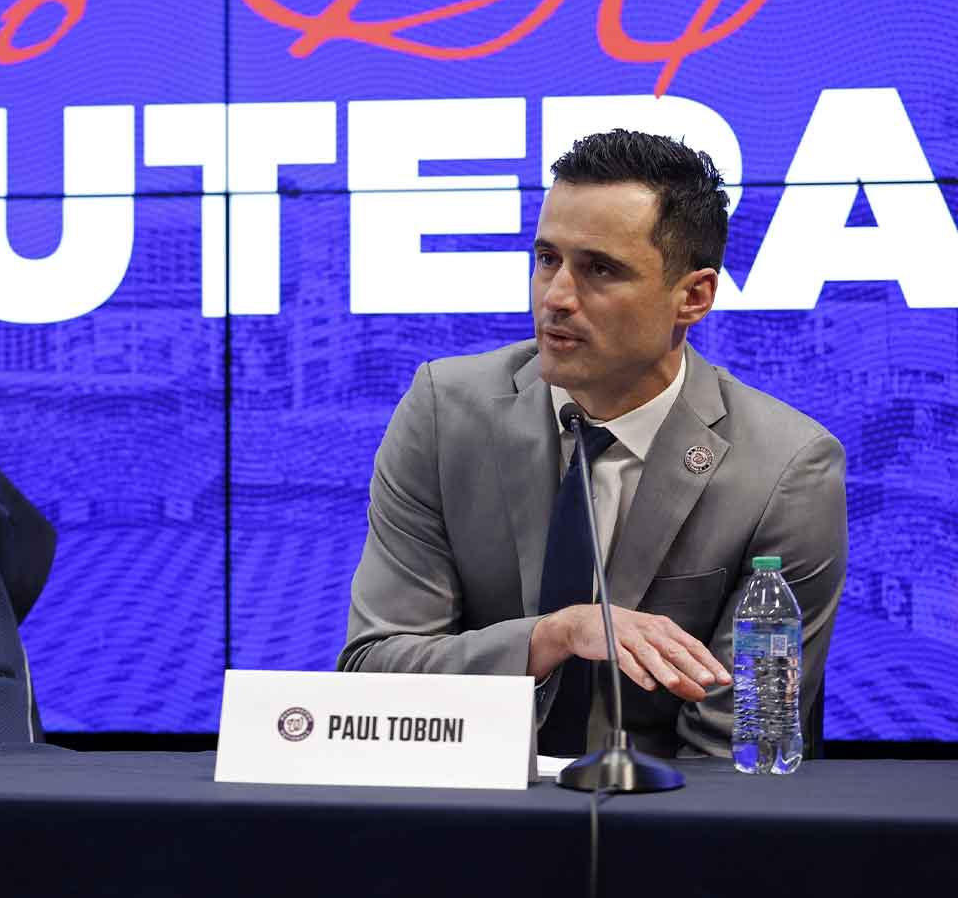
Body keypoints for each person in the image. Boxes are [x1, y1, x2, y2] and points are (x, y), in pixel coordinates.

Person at [339, 130, 847, 758]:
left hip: (669, 833)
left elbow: (738, 747)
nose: (555, 298)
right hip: (462, 816)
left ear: (693, 297)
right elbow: (373, 674)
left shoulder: (787, 469)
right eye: (547, 258)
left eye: (600, 269)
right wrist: (550, 637)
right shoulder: (445, 412)